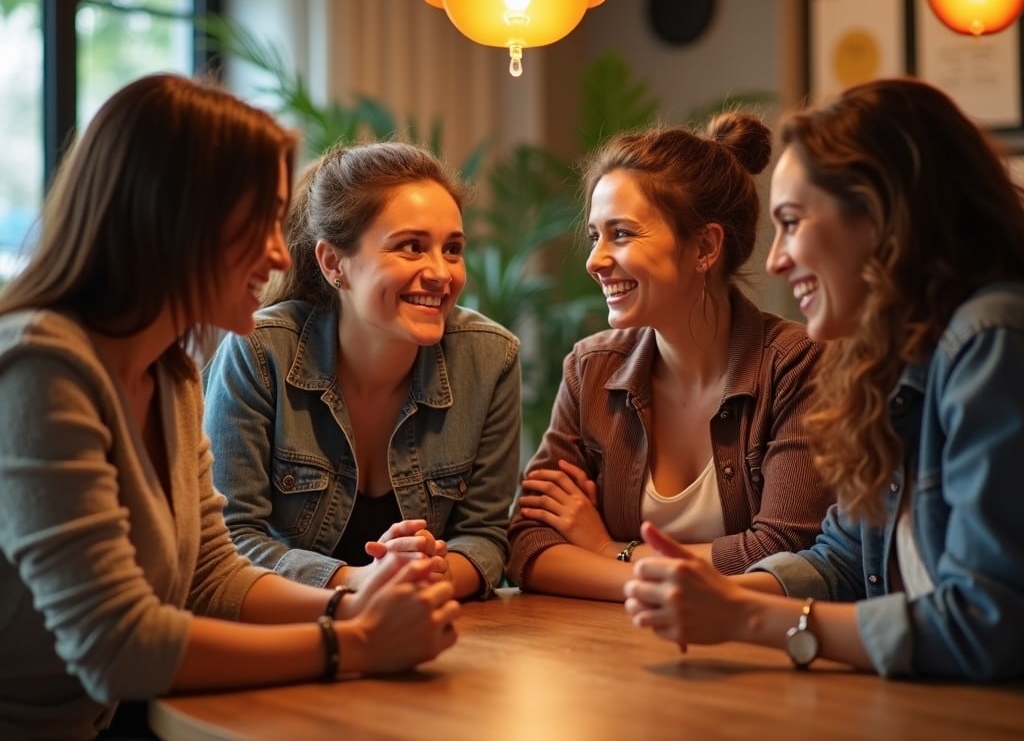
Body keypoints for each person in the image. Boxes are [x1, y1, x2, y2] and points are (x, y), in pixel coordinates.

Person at [0, 74, 459, 740]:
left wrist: (352, 600)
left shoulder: (172, 372)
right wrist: (354, 643)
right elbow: (118, 648)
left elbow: (210, 576)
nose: (280, 252)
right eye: (261, 222)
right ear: (175, 216)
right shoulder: (41, 367)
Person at [624, 78, 1024, 681]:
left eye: (791, 222)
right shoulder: (888, 361)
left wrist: (742, 616)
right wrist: (724, 585)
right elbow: (843, 558)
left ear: (881, 215)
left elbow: (984, 624)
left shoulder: (989, 339)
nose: (777, 259)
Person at [506, 114, 833, 602]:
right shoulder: (590, 368)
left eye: (621, 234)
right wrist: (659, 583)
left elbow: (784, 550)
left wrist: (603, 547)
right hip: (603, 651)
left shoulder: (796, 364)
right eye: (595, 235)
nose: (594, 260)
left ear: (705, 246)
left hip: (746, 656)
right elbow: (528, 544)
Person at [201, 141, 521, 602]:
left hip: (430, 631)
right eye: (411, 247)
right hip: (286, 632)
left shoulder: (491, 358)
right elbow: (230, 540)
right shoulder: (258, 351)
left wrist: (436, 571)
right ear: (333, 263)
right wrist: (357, 581)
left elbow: (486, 535)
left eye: (452, 249)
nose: (441, 273)